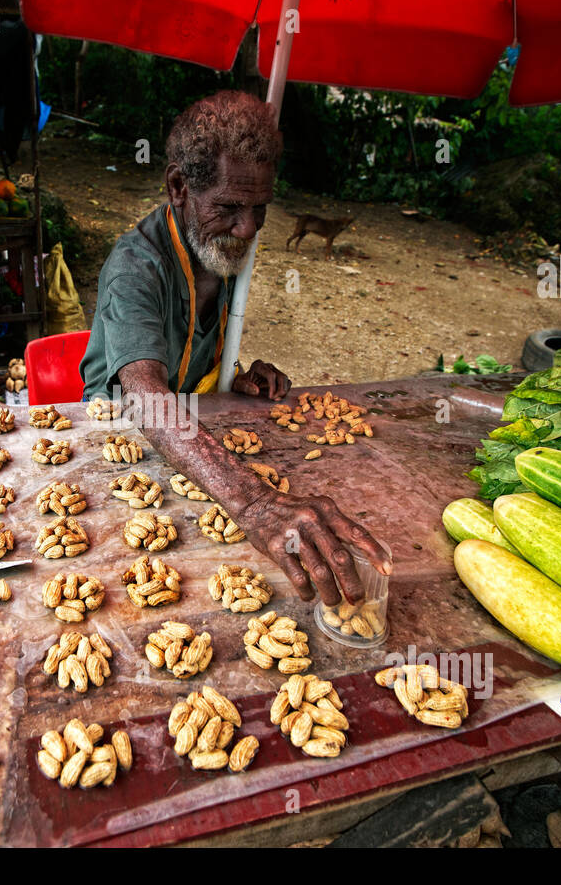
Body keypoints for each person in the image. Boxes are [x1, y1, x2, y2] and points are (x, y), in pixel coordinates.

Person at [79, 91, 391, 605]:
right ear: (178, 187)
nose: (248, 229)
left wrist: (234, 374)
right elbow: (142, 394)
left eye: (260, 209)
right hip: (121, 436)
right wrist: (253, 503)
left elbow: (192, 352)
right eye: (228, 208)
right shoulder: (135, 266)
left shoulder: (219, 246)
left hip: (192, 429)